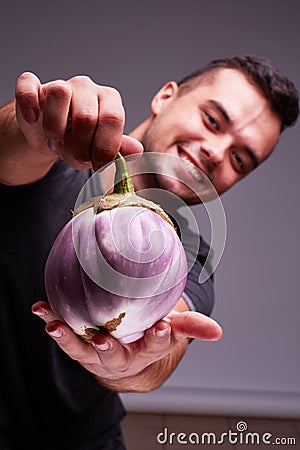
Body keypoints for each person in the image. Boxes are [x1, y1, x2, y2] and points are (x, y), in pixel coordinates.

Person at [0, 56, 298, 449]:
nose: (216, 152)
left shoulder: (193, 258)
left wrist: (136, 361)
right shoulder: (57, 158)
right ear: (166, 96)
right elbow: (11, 148)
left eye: (239, 159)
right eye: (213, 121)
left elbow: (159, 353)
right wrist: (38, 128)